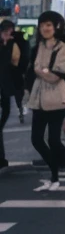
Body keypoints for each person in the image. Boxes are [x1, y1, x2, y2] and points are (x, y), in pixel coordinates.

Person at [24, 11, 65, 192]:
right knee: (36, 139)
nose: (45, 28)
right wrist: (43, 70)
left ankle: (55, 177)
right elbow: (35, 69)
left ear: (55, 27)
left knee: (53, 139)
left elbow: (57, 74)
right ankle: (53, 173)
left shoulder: (62, 47)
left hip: (56, 98)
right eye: (43, 25)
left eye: (49, 25)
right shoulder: (38, 46)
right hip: (38, 99)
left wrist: (41, 70)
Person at [0, 20, 21, 168]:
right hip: (3, 87)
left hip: (5, 87)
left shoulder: (12, 44)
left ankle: (2, 159)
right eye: (6, 31)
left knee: (4, 116)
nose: (8, 34)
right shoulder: (7, 46)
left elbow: (16, 62)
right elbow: (12, 62)